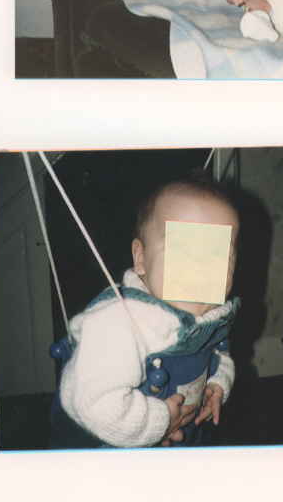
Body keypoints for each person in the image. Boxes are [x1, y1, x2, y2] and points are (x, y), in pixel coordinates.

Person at [51, 176, 240, 449]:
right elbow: (93, 401)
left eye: (219, 255)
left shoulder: (215, 313)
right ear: (141, 259)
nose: (201, 270)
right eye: (183, 251)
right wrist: (161, 423)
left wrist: (219, 383)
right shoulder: (118, 323)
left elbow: (220, 350)